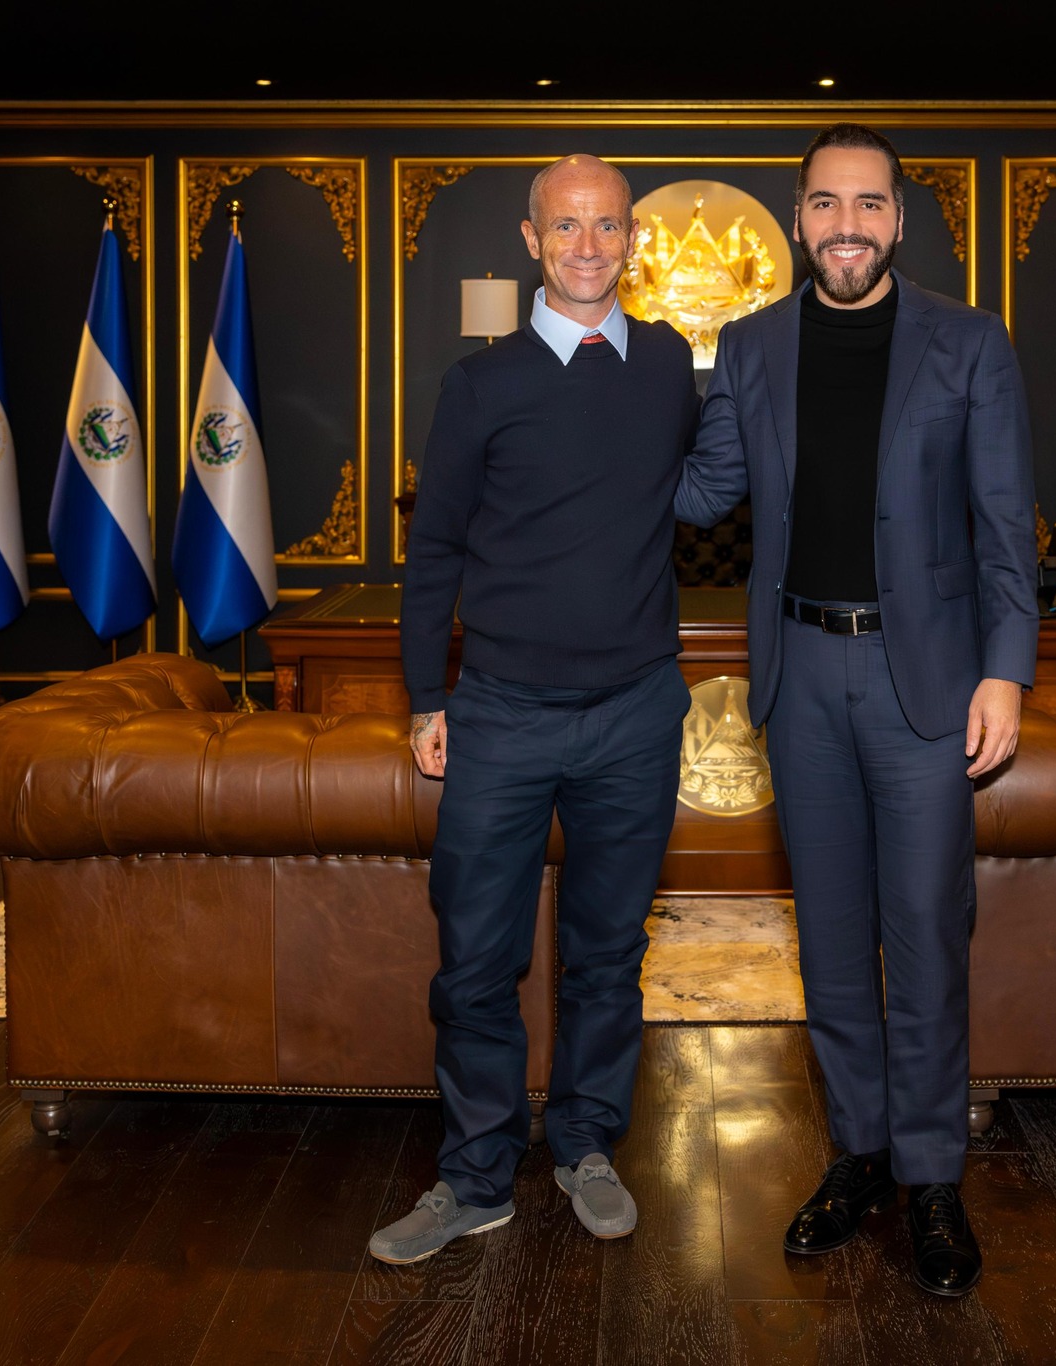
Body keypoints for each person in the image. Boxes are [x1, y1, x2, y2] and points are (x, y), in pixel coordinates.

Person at [676, 123, 1038, 1297]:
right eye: (825, 205)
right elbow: (702, 491)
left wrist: (1008, 670)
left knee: (924, 934)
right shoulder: (748, 345)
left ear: (897, 219)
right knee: (829, 944)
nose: (845, 226)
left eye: (867, 206)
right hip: (799, 678)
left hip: (923, 682)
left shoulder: (968, 343)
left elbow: (1002, 522)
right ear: (796, 219)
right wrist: (586, 411)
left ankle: (934, 1178)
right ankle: (862, 1157)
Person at [370, 154, 698, 1265]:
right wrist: (425, 694)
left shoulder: (664, 366)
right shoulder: (479, 383)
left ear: (632, 242)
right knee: (473, 960)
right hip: (500, 712)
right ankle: (472, 1175)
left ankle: (587, 1143)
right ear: (530, 241)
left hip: (638, 710)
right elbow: (435, 551)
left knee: (609, 953)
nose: (589, 245)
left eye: (608, 226)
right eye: (568, 228)